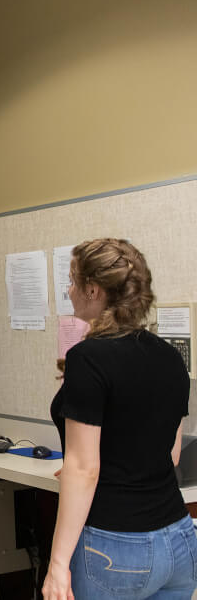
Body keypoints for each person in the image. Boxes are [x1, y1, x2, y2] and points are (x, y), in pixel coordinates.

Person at [42, 239, 195, 600]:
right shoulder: (170, 356)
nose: (70, 290)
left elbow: (84, 468)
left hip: (115, 548)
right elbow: (168, 454)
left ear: (93, 289)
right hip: (179, 540)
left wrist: (57, 564)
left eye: (73, 282)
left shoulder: (87, 358)